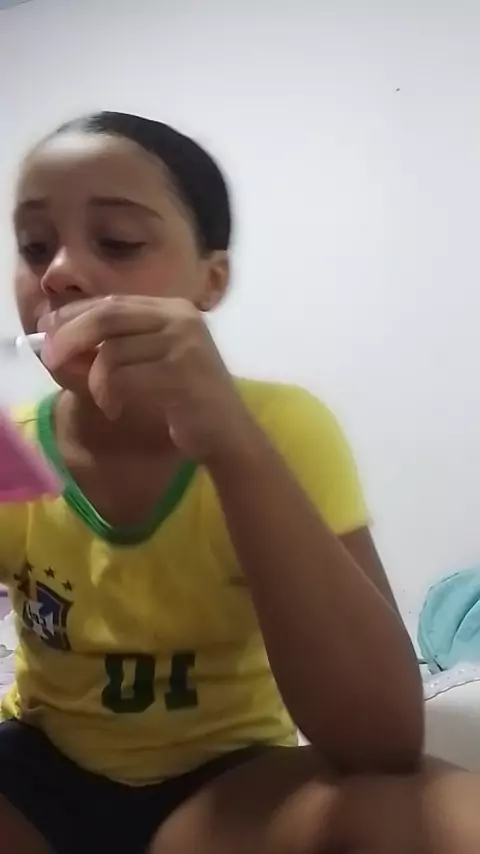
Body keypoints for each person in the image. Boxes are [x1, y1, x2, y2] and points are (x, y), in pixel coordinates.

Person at [0, 111, 478, 854]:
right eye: (34, 247)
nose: (58, 272)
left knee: (437, 814)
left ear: (210, 280)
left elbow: (382, 740)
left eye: (117, 241)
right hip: (37, 775)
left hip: (225, 789)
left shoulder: (283, 428)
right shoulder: (13, 449)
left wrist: (232, 445)